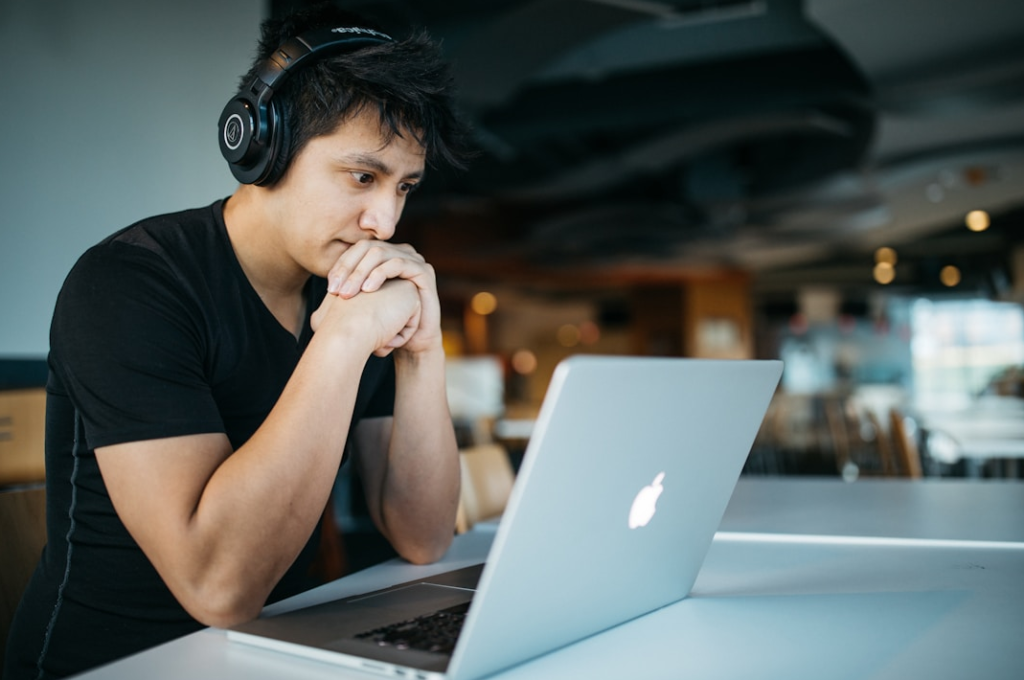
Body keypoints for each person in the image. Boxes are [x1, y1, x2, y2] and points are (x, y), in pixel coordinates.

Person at [3, 4, 472, 678]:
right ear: (264, 144)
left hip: (269, 655)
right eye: (363, 177)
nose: (385, 219)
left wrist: (422, 352)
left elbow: (423, 538)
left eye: (405, 187)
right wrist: (341, 342)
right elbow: (218, 588)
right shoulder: (130, 284)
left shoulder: (346, 288)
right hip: (115, 663)